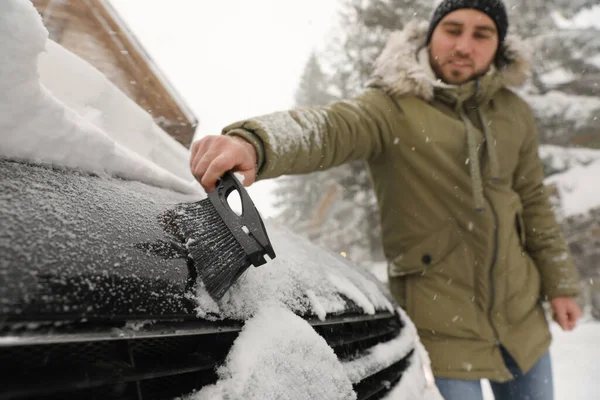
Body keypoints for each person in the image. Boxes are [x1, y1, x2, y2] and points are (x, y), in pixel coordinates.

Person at [189, 0, 583, 398]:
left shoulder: (514, 113)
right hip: (440, 322)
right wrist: (257, 142)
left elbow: (533, 204)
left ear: (499, 46)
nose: (464, 45)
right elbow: (330, 127)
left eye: (482, 35)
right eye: (453, 30)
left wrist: (561, 284)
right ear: (431, 35)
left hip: (523, 321)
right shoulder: (392, 106)